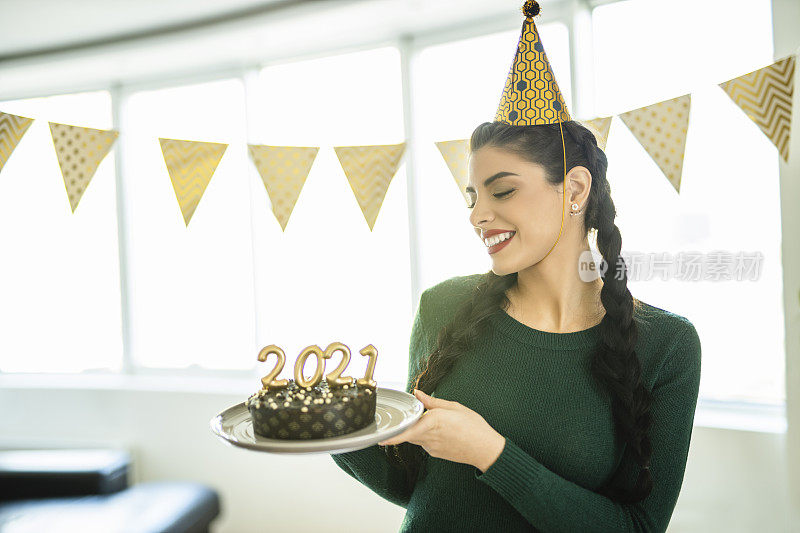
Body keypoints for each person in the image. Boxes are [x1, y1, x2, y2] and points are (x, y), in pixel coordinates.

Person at [331, 2, 701, 531]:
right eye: (472, 196)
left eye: (502, 190)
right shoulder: (443, 307)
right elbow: (415, 484)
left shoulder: (667, 346)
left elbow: (638, 527)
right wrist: (331, 429)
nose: (478, 215)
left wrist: (493, 454)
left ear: (573, 189)